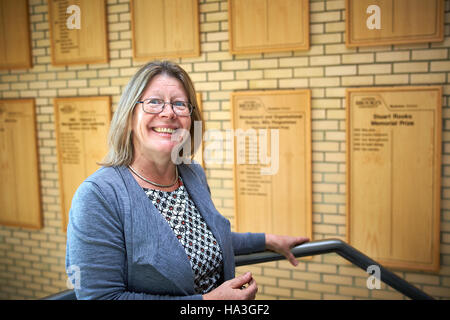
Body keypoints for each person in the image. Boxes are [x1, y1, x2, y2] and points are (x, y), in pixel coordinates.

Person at [65, 60, 309, 300]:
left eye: (180, 104)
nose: (169, 112)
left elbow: (199, 239)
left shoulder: (192, 174)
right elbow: (101, 298)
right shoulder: (98, 195)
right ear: (129, 117)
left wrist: (268, 241)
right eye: (154, 102)